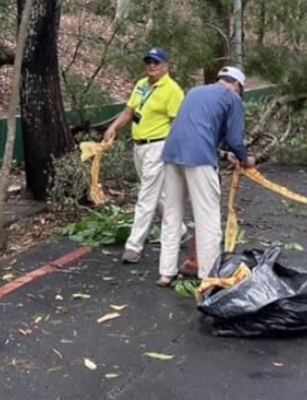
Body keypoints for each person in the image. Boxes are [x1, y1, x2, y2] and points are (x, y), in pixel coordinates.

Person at [157, 66, 256, 285]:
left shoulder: (194, 92)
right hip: (199, 159)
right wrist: (245, 159)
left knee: (172, 215)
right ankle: (208, 276)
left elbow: (195, 130)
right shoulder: (232, 98)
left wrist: (222, 154)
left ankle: (166, 272)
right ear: (238, 86)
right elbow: (235, 139)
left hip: (172, 153)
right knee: (207, 218)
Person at [104, 48, 185, 264]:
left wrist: (173, 150)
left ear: (166, 66)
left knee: (146, 196)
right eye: (149, 62)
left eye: (156, 63)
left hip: (158, 146)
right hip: (139, 146)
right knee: (155, 194)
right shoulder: (141, 84)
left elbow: (178, 123)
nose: (152, 66)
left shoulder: (172, 90)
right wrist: (114, 128)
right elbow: (130, 111)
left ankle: (133, 246)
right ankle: (182, 229)